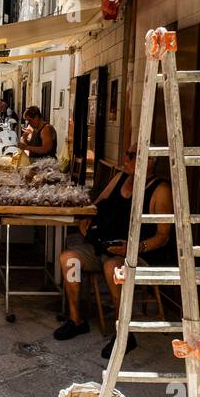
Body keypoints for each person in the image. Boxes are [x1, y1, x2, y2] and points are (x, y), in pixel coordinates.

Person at [54, 147, 175, 357]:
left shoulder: (160, 190)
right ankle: (76, 319)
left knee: (114, 270)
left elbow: (163, 235)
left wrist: (134, 248)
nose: (124, 158)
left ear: (149, 161)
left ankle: (124, 334)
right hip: (103, 246)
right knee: (69, 260)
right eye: (126, 153)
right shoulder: (121, 177)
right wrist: (87, 217)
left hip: (136, 254)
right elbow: (98, 202)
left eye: (130, 155)